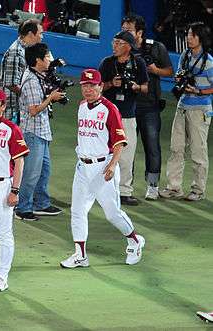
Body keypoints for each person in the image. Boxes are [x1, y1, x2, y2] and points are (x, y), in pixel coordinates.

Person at [60, 69, 145, 268]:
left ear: (100, 86)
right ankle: (80, 255)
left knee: (112, 212)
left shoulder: (109, 109)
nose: (88, 89)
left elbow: (119, 141)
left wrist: (113, 164)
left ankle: (134, 240)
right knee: (78, 210)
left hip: (103, 167)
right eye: (84, 85)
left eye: (92, 85)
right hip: (82, 167)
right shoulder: (81, 106)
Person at [160, 22, 213, 201]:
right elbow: (180, 75)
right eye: (188, 34)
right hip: (182, 106)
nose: (189, 37)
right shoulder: (185, 55)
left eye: (193, 35)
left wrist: (198, 91)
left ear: (201, 38)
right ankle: (174, 187)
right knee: (176, 148)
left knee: (198, 151)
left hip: (200, 109)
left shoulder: (209, 62)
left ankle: (198, 190)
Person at [122, 14, 173, 200]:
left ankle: (152, 185)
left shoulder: (156, 48)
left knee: (152, 147)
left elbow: (169, 71)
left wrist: (155, 70)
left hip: (150, 106)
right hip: (127, 106)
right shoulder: (122, 49)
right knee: (126, 149)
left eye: (128, 30)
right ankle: (125, 186)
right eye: (123, 29)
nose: (124, 34)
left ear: (139, 32)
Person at [15, 43, 64, 221]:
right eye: (48, 56)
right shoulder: (31, 81)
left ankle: (41, 204)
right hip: (32, 133)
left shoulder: (38, 75)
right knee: (31, 173)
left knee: (44, 170)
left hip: (42, 131)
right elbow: (34, 110)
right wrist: (51, 98)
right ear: (38, 60)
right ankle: (22, 208)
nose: (50, 59)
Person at [99, 31, 148, 206]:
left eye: (118, 43)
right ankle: (101, 188)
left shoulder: (138, 63)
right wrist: (112, 83)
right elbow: (97, 87)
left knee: (127, 155)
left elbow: (145, 88)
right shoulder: (107, 63)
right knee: (103, 153)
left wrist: (135, 86)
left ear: (128, 46)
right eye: (114, 42)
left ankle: (124, 191)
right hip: (107, 117)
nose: (114, 46)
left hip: (127, 115)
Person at [0, 87, 29, 292]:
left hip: (1, 185)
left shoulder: (11, 129)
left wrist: (15, 190)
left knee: (4, 234)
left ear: (3, 106)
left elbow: (20, 162)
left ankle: (2, 275)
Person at [0, 18, 43, 124]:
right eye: (40, 33)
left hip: (18, 109)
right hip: (12, 110)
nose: (42, 37)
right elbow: (11, 83)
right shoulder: (16, 52)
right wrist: (28, 96)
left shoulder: (26, 50)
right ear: (31, 34)